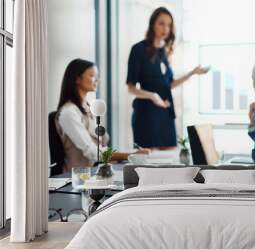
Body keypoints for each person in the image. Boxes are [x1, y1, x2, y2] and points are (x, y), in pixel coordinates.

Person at [126, 7, 208, 149]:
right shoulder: (138, 49)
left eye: (169, 25)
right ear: (152, 24)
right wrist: (153, 96)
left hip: (165, 112)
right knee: (147, 161)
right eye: (161, 23)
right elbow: (131, 88)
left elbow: (168, 84)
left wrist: (192, 73)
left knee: (170, 155)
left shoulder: (164, 52)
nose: (166, 28)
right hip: (146, 114)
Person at [56, 59, 142, 172]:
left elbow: (101, 146)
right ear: (77, 79)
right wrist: (131, 154)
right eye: (92, 75)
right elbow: (93, 152)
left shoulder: (88, 109)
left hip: (95, 172)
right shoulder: (68, 113)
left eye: (97, 76)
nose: (97, 80)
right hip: (78, 178)